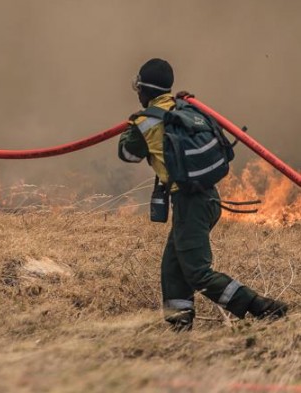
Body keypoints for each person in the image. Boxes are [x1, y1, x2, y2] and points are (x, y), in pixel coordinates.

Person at [118, 58, 288, 330]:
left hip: (190, 204)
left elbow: (127, 154)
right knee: (173, 269)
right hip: (209, 199)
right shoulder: (186, 107)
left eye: (138, 88)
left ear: (144, 90)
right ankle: (179, 327)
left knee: (198, 273)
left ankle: (261, 307)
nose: (137, 93)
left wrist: (132, 126)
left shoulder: (145, 122)